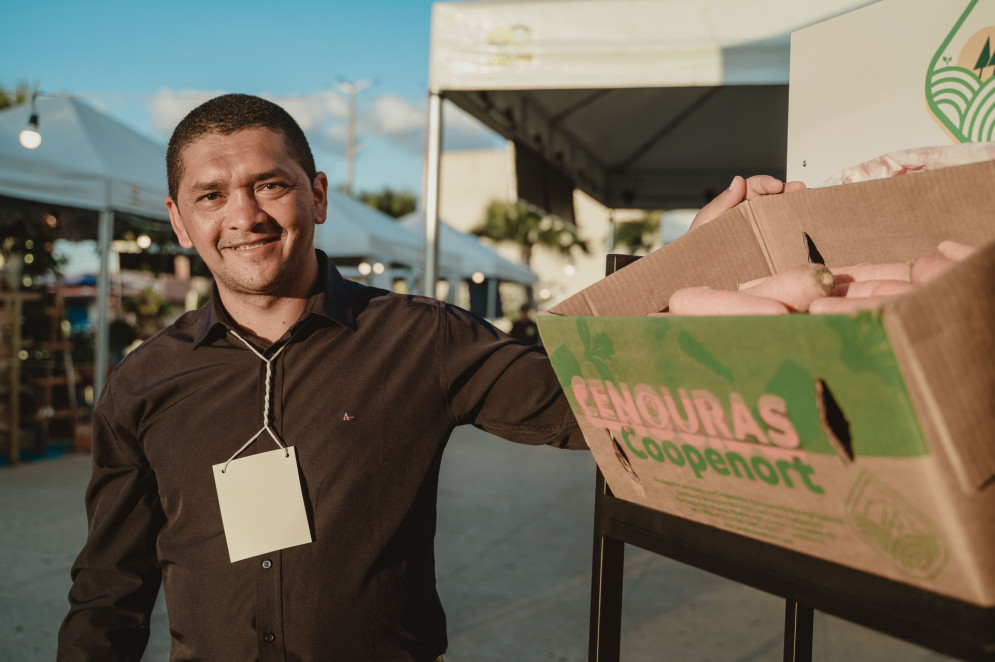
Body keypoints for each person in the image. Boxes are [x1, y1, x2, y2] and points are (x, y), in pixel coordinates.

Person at [57, 93, 800, 662]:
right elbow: (109, 589)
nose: (243, 214)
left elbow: (587, 400)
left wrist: (692, 270)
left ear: (316, 194)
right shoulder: (141, 382)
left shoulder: (421, 339)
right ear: (179, 221)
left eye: (269, 185)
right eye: (210, 196)